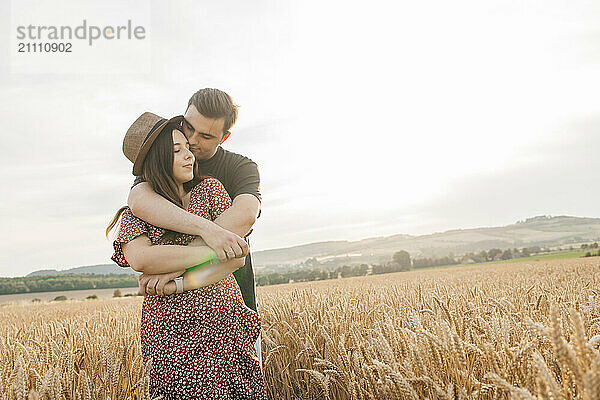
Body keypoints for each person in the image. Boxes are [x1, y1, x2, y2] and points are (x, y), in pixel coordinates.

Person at [107, 112, 267, 399]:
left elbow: (236, 258)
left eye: (188, 148)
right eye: (177, 151)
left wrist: (178, 281)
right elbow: (142, 260)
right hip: (169, 337)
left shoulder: (210, 190)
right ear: (157, 162)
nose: (189, 155)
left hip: (223, 325)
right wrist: (211, 250)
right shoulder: (137, 210)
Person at [128, 88, 263, 360]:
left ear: (224, 137)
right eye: (188, 127)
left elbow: (246, 215)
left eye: (206, 136)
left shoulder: (240, 167)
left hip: (232, 305)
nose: (192, 140)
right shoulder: (161, 165)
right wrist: (208, 230)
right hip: (173, 317)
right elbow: (138, 200)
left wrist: (174, 267)